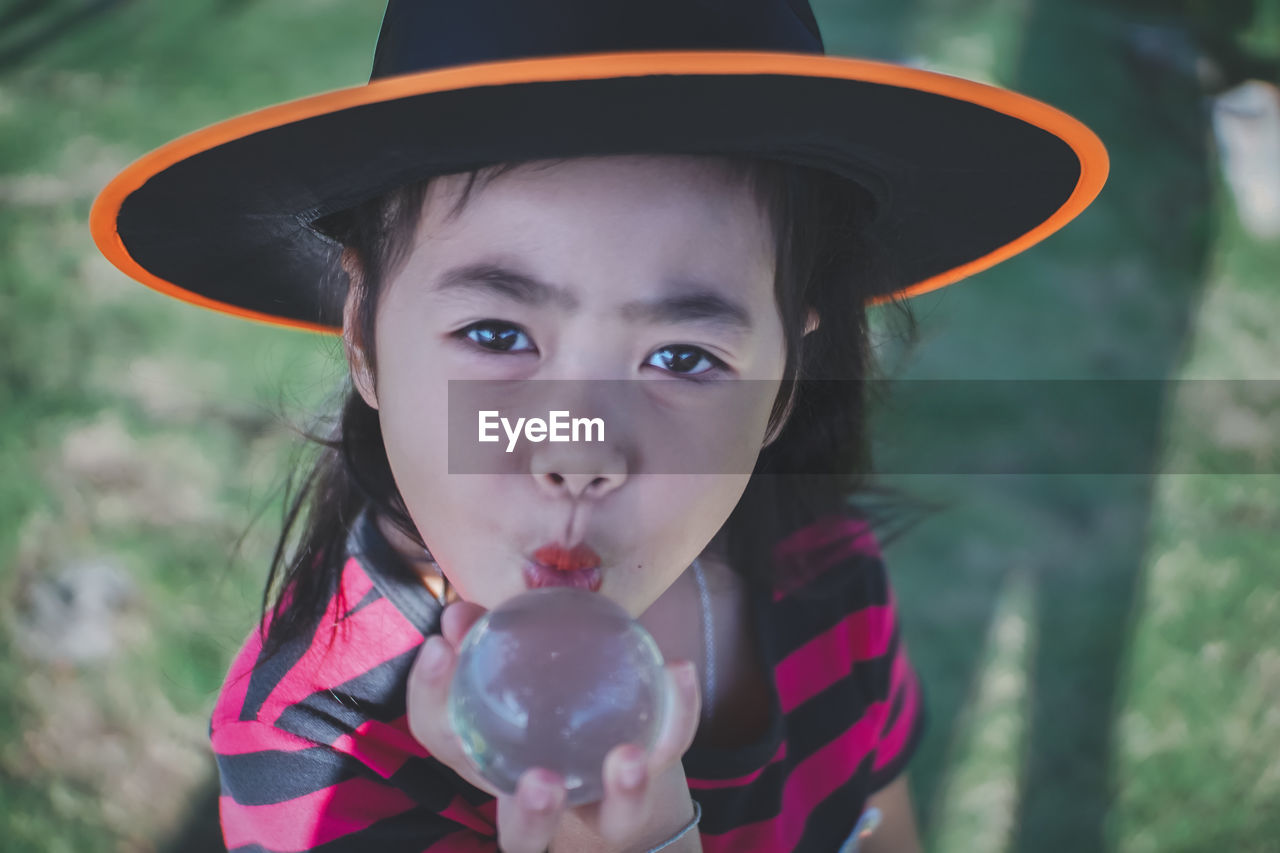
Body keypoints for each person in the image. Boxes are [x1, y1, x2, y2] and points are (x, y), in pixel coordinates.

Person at [90, 2, 1108, 851]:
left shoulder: (827, 582)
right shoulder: (323, 759)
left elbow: (879, 822)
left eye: (681, 358)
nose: (577, 450)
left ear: (785, 379)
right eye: (496, 331)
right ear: (363, 335)